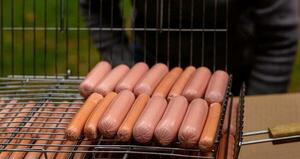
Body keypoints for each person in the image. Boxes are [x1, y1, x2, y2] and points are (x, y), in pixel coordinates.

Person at [80, 0, 298, 95]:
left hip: (232, 75)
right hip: (149, 68)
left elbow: (278, 37)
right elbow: (97, 6)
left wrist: (255, 111)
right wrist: (125, 69)